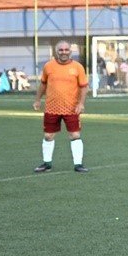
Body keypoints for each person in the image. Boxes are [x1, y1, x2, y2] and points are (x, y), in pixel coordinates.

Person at [32, 40, 90, 173]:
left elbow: (84, 87)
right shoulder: (48, 66)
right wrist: (37, 100)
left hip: (71, 108)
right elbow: (43, 84)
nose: (64, 52)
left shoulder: (78, 67)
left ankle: (78, 164)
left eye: (66, 50)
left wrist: (81, 104)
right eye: (61, 50)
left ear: (70, 51)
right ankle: (47, 164)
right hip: (51, 108)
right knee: (48, 136)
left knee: (75, 135)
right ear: (56, 51)